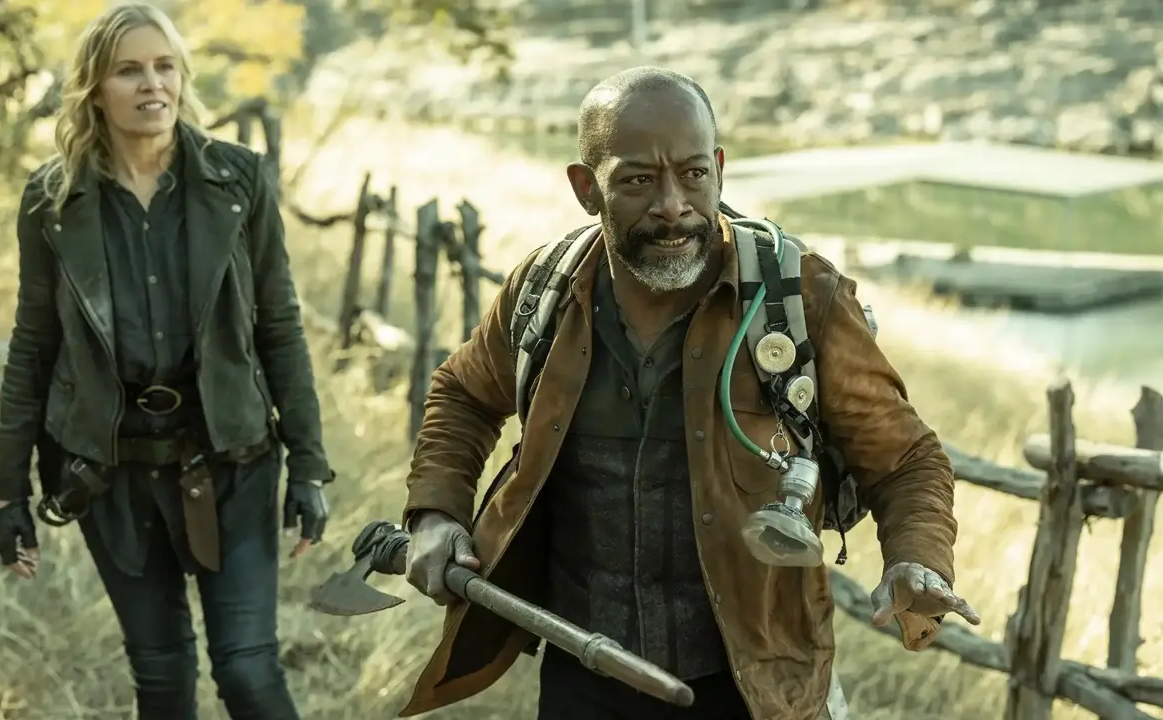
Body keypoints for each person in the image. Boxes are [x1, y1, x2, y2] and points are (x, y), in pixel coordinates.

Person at [396, 66, 980, 720]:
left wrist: (916, 560)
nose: (672, 204)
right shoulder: (547, 291)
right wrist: (436, 512)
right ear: (586, 189)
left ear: (719, 171)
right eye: (638, 180)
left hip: (755, 685)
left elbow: (906, 460)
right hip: (583, 671)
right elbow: (464, 393)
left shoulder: (798, 298)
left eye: (694, 173)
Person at [0, 5, 333, 718]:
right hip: (108, 475)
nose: (153, 84)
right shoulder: (53, 201)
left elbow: (279, 326)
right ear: (95, 91)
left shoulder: (240, 182)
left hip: (232, 460)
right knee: (164, 677)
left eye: (164, 66)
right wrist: (7, 492)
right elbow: (33, 347)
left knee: (248, 672)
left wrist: (308, 463)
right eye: (129, 70)